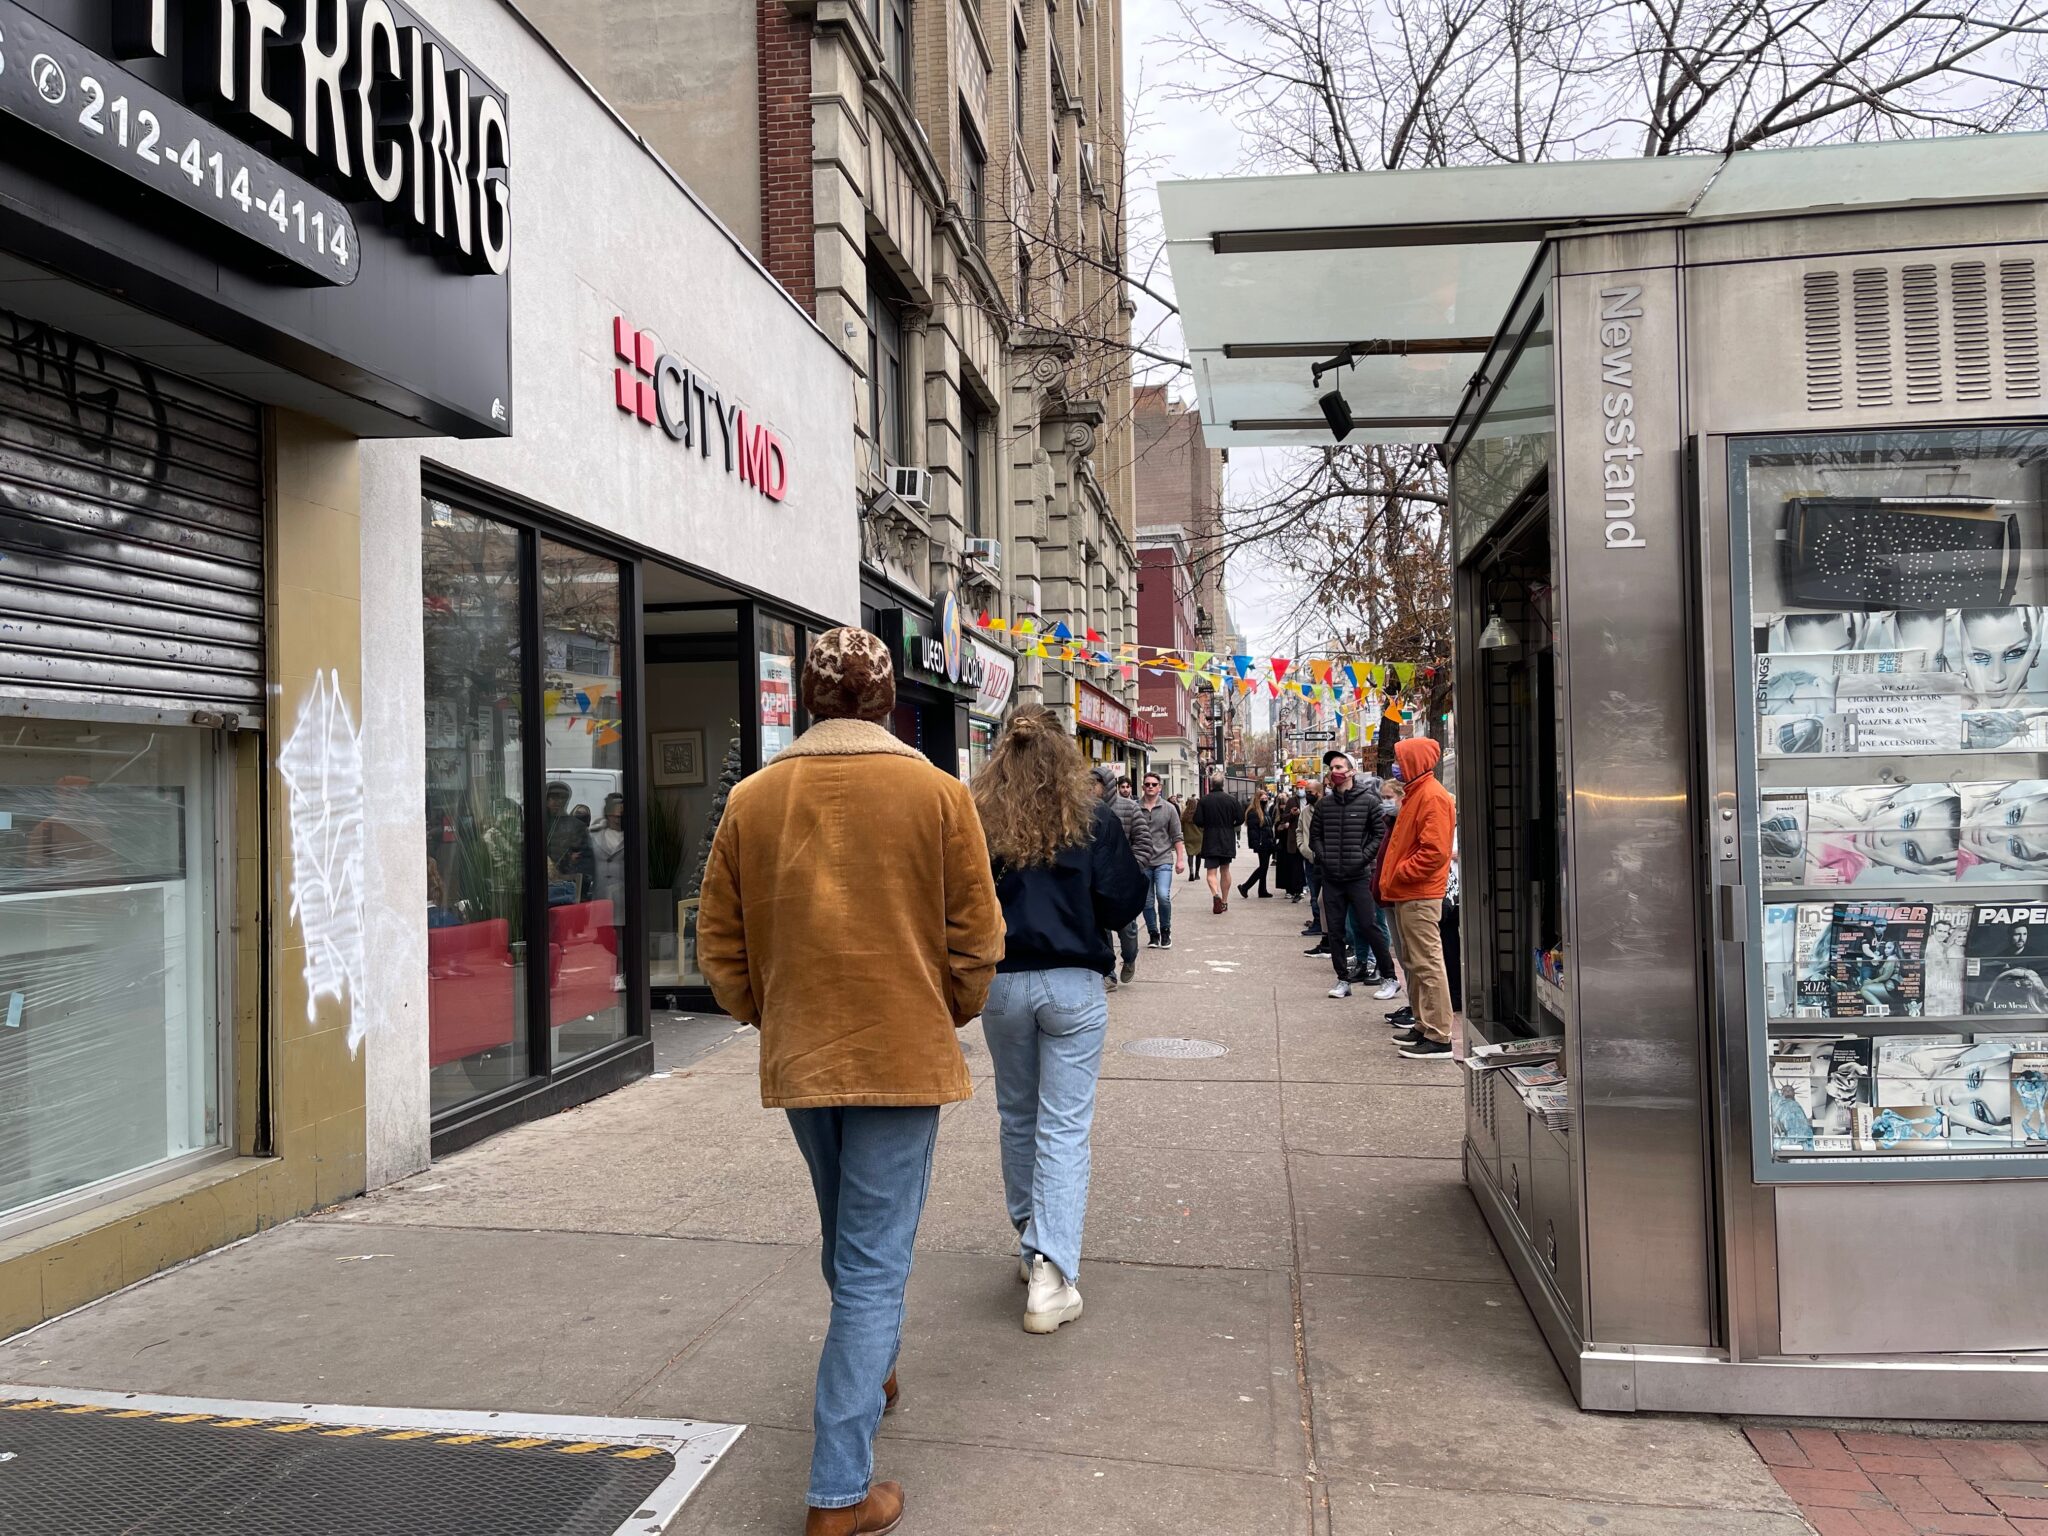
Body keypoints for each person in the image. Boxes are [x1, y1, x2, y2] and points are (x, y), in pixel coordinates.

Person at [696, 626, 1004, 1536]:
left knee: (847, 1238)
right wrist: (938, 1007)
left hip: (804, 1053)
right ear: (888, 699)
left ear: (805, 697)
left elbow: (718, 941)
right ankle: (839, 1491)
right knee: (871, 1259)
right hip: (901, 1056)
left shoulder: (753, 799)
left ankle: (872, 1364)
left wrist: (768, 1009)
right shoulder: (939, 794)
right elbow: (979, 939)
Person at [976, 708, 1147, 1335]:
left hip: (1002, 980)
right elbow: (1124, 899)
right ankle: (1050, 1270)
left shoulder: (982, 816)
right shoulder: (1092, 816)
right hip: (1073, 983)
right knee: (1065, 1126)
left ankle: (1031, 1239)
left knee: (1017, 1115)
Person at [1381, 737, 1459, 1060]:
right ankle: (1425, 1025)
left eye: (1401, 759)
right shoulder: (1418, 794)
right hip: (1409, 892)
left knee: (1426, 963)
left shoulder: (1431, 797)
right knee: (1415, 963)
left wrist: (1400, 872)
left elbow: (1434, 852)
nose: (1396, 766)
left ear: (1414, 762)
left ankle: (1439, 1035)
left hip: (1419, 894)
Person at [1310, 753, 1397, 1000]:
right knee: (1336, 931)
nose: (1334, 771)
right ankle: (1342, 979)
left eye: (1339, 766)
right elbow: (1315, 837)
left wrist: (1361, 858)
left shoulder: (1369, 801)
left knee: (1369, 926)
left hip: (1359, 875)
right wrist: (1325, 857)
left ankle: (1389, 977)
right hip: (1332, 877)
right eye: (1331, 767)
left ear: (1351, 771)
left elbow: (1378, 835)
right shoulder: (1324, 805)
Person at [1092, 764, 1144, 988]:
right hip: (1099, 878)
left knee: (1127, 928)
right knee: (1101, 927)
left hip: (1122, 879)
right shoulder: (1086, 811)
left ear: (1106, 786)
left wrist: (1134, 867)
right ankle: (1109, 972)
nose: (1089, 789)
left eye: (1093, 784)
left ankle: (1130, 958)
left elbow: (1143, 841)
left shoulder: (1129, 808)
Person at [1133, 770, 1186, 948]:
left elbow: (1177, 836)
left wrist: (1180, 859)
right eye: (1147, 784)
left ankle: (1165, 931)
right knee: (1147, 902)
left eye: (1153, 784)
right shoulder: (1135, 808)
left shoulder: (1169, 809)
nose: (1150, 787)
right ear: (1142, 787)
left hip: (1163, 859)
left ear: (1159, 788)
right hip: (1142, 862)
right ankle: (1153, 934)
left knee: (1163, 896)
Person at [1189, 768, 1244, 914]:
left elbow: (1198, 820)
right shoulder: (1231, 800)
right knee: (1225, 870)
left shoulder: (1204, 800)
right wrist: (1230, 824)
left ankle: (1215, 894)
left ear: (1211, 784)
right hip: (1227, 838)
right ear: (1223, 784)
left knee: (1211, 872)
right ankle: (1224, 901)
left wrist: (1207, 824)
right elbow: (1241, 818)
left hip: (1210, 838)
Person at [1299, 778, 1326, 950]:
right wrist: (1304, 849)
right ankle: (1317, 922)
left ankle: (1324, 926)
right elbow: (1299, 831)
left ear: (1319, 792)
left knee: (1323, 896)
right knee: (1314, 893)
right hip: (1310, 858)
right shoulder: (1305, 811)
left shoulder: (1326, 808)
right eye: (1306, 791)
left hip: (1325, 859)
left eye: (1310, 792)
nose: (1307, 794)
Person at [1238, 789, 1275, 899]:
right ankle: (1245, 886)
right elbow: (1253, 831)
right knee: (1263, 867)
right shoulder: (1254, 812)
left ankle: (1262, 890)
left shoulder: (1265, 811)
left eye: (1266, 798)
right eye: (1262, 798)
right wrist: (1256, 844)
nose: (1265, 800)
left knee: (1264, 867)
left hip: (1267, 842)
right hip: (1261, 843)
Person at [1274, 791, 1305, 902]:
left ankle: (1300, 888)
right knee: (1293, 866)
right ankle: (1295, 890)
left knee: (1300, 867)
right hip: (1288, 843)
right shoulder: (1291, 803)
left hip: (1300, 839)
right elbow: (1281, 822)